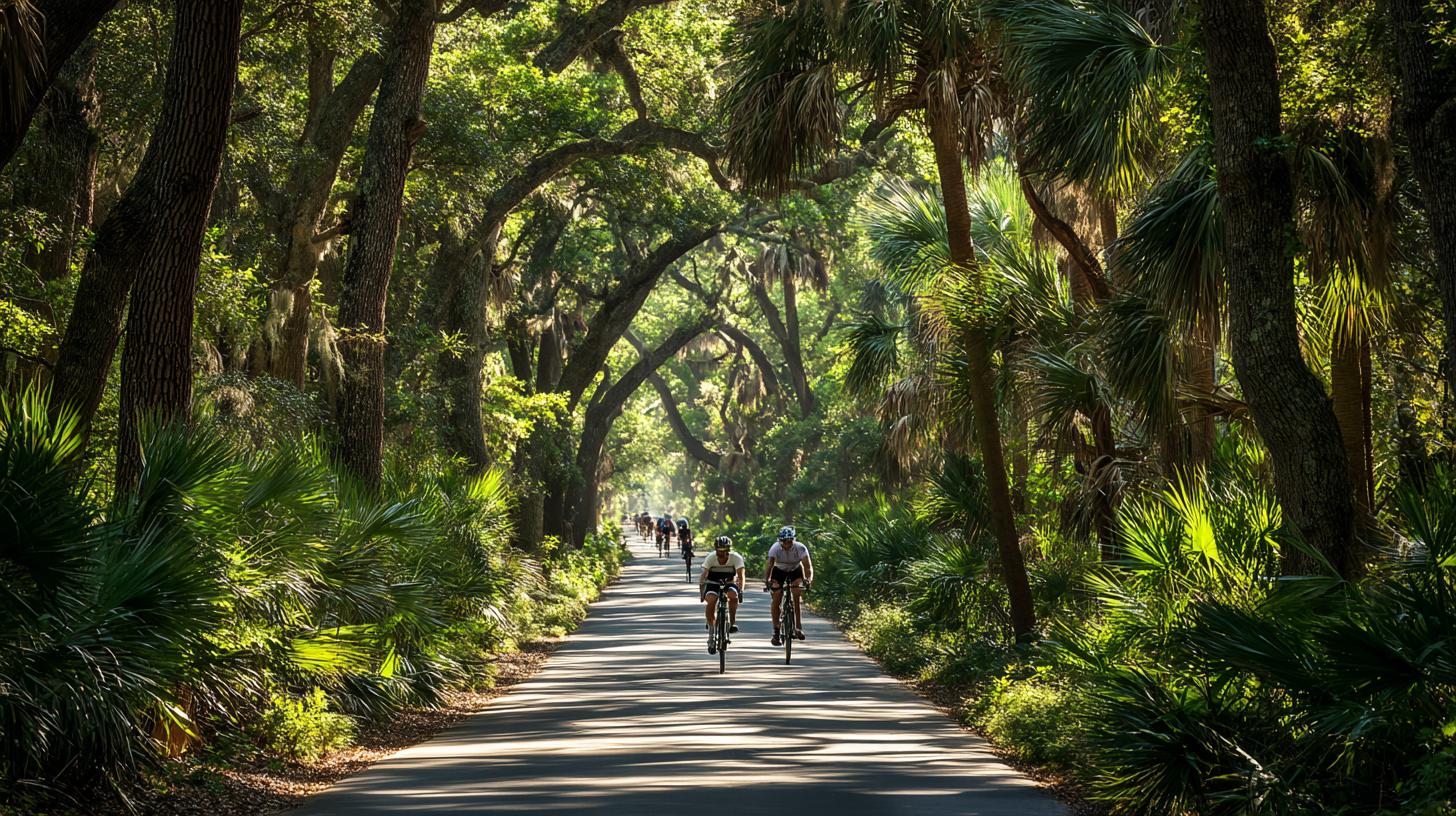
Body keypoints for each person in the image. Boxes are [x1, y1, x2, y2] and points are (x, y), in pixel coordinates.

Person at [763, 525, 812, 646]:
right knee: (777, 596)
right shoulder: (775, 548)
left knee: (796, 594)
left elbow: (807, 566)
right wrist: (767, 580)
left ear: (793, 540)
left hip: (795, 569)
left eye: (789, 541)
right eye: (784, 541)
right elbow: (770, 565)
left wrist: (808, 580)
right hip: (779, 570)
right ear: (780, 541)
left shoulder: (800, 548)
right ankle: (776, 631)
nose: (787, 544)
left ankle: (798, 627)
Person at [700, 535, 745, 654]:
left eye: (725, 551)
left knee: (733, 596)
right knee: (711, 600)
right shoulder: (711, 558)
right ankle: (711, 634)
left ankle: (732, 623)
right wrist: (701, 591)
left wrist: (741, 590)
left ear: (729, 550)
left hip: (729, 582)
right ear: (715, 550)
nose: (722, 554)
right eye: (719, 551)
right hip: (712, 582)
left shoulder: (736, 558)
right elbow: (704, 575)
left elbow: (741, 576)